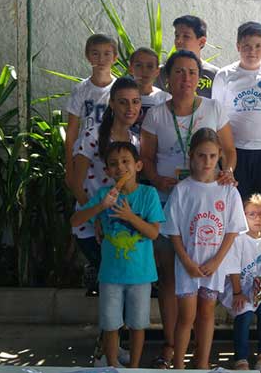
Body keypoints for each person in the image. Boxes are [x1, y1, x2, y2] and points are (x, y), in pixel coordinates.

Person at [140, 49, 237, 368]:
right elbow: (148, 160)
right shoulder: (155, 112)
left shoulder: (213, 107)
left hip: (208, 195)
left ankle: (200, 355)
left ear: (200, 77)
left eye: (192, 72)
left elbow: (229, 152)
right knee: (170, 276)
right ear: (168, 77)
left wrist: (227, 172)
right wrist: (159, 180)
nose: (186, 78)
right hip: (171, 198)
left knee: (203, 298)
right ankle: (172, 346)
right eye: (179, 72)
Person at [70, 142, 164, 368]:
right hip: (110, 275)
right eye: (113, 164)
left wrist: (130, 217)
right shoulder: (104, 195)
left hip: (141, 275)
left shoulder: (148, 194)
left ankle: (133, 366)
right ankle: (112, 365)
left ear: (138, 165)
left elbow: (153, 233)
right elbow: (75, 221)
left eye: (126, 162)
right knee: (111, 324)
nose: (120, 168)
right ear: (107, 171)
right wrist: (101, 207)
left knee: (138, 324)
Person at [161, 128, 246, 369]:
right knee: (186, 316)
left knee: (207, 312)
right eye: (201, 155)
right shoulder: (183, 190)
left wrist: (217, 261)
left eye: (212, 156)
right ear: (191, 156)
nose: (207, 161)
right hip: (187, 264)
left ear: (220, 155)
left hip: (213, 265)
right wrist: (186, 261)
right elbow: (173, 230)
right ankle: (178, 364)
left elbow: (232, 230)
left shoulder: (228, 190)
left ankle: (202, 363)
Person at [213, 21, 261, 232]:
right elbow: (217, 116)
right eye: (247, 46)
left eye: (258, 46)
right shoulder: (224, 75)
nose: (252, 51)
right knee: (237, 209)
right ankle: (239, 260)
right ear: (238, 46)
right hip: (235, 153)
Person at [70, 76, 141, 298]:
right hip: (92, 227)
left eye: (136, 101)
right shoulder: (93, 135)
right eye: (123, 102)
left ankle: (114, 331)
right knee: (110, 285)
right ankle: (109, 331)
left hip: (119, 226)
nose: (130, 108)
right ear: (111, 103)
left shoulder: (135, 141)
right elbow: (74, 182)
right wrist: (96, 219)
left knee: (119, 286)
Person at [64, 33, 117, 293]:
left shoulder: (118, 89)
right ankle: (98, 270)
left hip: (110, 161)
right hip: (85, 159)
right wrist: (68, 166)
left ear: (115, 57)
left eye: (107, 53)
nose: (101, 59)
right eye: (95, 53)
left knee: (111, 217)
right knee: (85, 212)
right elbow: (71, 131)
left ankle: (104, 275)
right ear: (87, 56)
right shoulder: (81, 90)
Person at [220, 194, 261, 371]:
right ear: (243, 215)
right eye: (252, 214)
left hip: (255, 290)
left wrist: (259, 292)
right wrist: (238, 293)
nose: (257, 219)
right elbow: (233, 269)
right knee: (243, 313)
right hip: (235, 287)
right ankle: (241, 358)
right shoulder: (238, 238)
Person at [156, 15, 218, 97]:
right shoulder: (161, 73)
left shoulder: (214, 75)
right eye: (177, 35)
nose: (179, 41)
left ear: (201, 42)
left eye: (186, 36)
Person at [128, 47, 170, 135]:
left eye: (150, 66)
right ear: (131, 69)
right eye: (139, 65)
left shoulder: (165, 99)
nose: (144, 70)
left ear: (157, 71)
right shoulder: (122, 97)